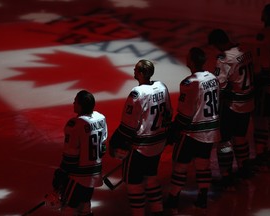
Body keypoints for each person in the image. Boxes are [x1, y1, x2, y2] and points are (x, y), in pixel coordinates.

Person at [109, 59, 173, 216]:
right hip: (158, 143)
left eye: (137, 69)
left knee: (133, 183)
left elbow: (128, 126)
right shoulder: (162, 86)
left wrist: (115, 142)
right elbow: (169, 114)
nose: (134, 70)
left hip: (141, 147)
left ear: (143, 73)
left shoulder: (137, 94)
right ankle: (158, 210)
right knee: (151, 176)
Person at [165, 47, 221, 215]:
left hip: (192, 132)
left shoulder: (189, 83)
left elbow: (185, 114)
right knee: (203, 164)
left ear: (192, 61)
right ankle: (202, 197)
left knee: (180, 165)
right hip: (210, 130)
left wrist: (173, 131)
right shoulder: (213, 78)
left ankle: (173, 200)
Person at [47, 90, 108, 216]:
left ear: (80, 105)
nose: (73, 103)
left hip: (78, 176)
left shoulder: (75, 125)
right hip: (94, 174)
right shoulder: (101, 118)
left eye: (75, 101)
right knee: (85, 205)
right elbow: (102, 147)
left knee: (69, 207)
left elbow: (70, 156)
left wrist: (61, 176)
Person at [207, 29, 255, 189]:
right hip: (248, 102)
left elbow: (220, 85)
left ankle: (226, 174)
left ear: (218, 43)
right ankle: (244, 167)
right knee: (241, 136)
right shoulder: (245, 50)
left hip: (233, 105)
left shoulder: (224, 59)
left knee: (224, 141)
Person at [253, 3, 270, 169]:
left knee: (261, 119)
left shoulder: (264, 35)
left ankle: (262, 153)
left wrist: (259, 80)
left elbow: (263, 63)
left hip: (268, 85)